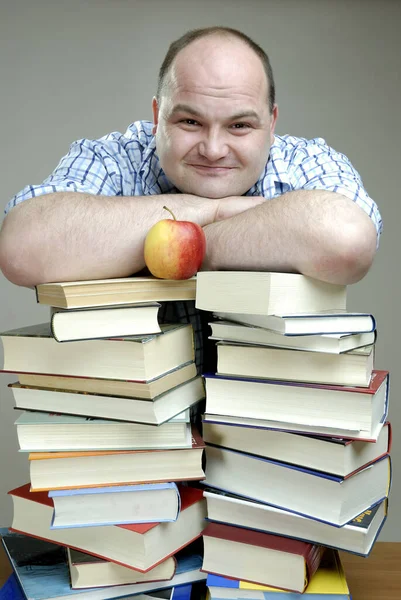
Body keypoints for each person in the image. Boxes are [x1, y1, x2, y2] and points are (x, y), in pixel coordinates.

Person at [0, 27, 381, 369]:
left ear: (272, 123)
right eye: (190, 122)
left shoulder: (305, 161)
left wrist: (188, 243)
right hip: (131, 435)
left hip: (272, 439)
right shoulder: (111, 159)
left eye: (240, 125)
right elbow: (21, 248)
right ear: (157, 115)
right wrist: (210, 210)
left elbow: (347, 241)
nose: (214, 149)